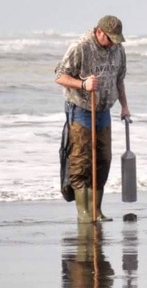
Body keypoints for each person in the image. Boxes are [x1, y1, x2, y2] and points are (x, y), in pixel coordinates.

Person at [54, 15, 131, 222]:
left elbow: (119, 80)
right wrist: (83, 84)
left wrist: (124, 106)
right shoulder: (80, 47)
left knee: (103, 160)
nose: (114, 43)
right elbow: (59, 76)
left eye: (116, 39)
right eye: (110, 38)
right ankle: (85, 213)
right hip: (80, 110)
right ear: (99, 32)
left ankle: (97, 210)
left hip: (104, 110)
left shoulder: (117, 49)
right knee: (82, 163)